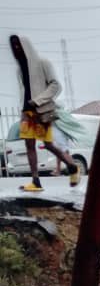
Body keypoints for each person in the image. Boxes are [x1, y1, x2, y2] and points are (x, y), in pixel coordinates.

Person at [8, 34, 81, 192]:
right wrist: (24, 107)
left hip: (41, 111)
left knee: (48, 145)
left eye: (18, 45)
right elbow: (24, 90)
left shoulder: (43, 63)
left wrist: (38, 100)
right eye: (13, 45)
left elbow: (56, 85)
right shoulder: (19, 69)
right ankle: (36, 181)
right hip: (27, 112)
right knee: (29, 145)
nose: (15, 48)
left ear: (25, 45)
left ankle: (73, 166)